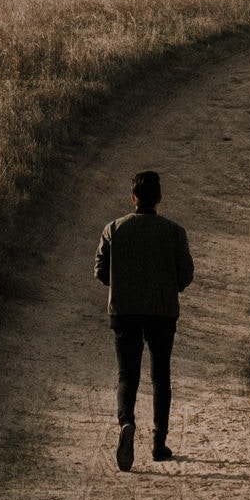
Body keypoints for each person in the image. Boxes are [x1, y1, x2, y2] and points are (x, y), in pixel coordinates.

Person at [95, 166, 193, 470]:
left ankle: (127, 422)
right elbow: (186, 275)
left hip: (124, 312)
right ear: (159, 198)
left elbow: (100, 271)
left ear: (132, 197)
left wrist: (124, 284)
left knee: (127, 375)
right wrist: (166, 286)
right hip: (162, 312)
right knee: (161, 377)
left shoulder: (113, 229)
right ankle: (158, 444)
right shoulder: (174, 232)